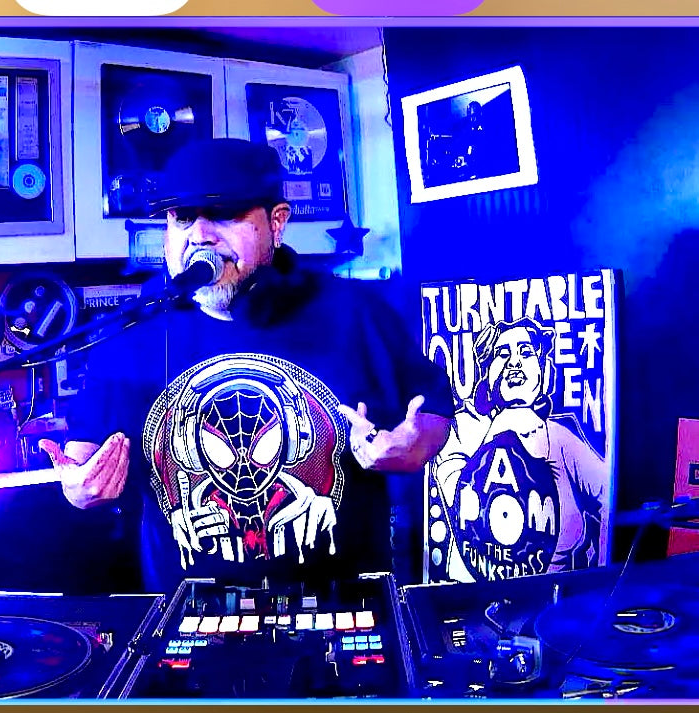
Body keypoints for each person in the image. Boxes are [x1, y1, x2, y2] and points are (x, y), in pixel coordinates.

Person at [40, 138, 454, 594]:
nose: (200, 235)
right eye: (182, 218)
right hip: (187, 614)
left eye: (224, 215)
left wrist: (411, 446)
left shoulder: (355, 313)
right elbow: (84, 455)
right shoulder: (133, 330)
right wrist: (79, 487)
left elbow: (430, 414)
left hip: (344, 606)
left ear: (277, 223)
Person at [431, 317, 610, 582]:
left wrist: (597, 577)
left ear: (542, 371)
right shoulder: (460, 428)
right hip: (470, 599)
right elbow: (460, 501)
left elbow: (607, 499)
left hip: (550, 601)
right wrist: (503, 428)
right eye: (503, 353)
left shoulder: (562, 439)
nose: (514, 361)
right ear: (487, 372)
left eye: (525, 352)